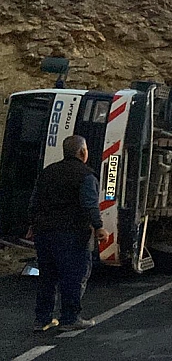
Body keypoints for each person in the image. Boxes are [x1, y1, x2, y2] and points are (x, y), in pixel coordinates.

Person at [28, 135, 109, 333]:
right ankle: (70, 318)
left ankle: (42, 319)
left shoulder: (48, 172)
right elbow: (89, 204)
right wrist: (99, 226)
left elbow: (34, 200)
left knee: (47, 276)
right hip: (71, 234)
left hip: (44, 233)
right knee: (74, 276)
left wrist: (32, 224)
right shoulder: (85, 175)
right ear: (82, 152)